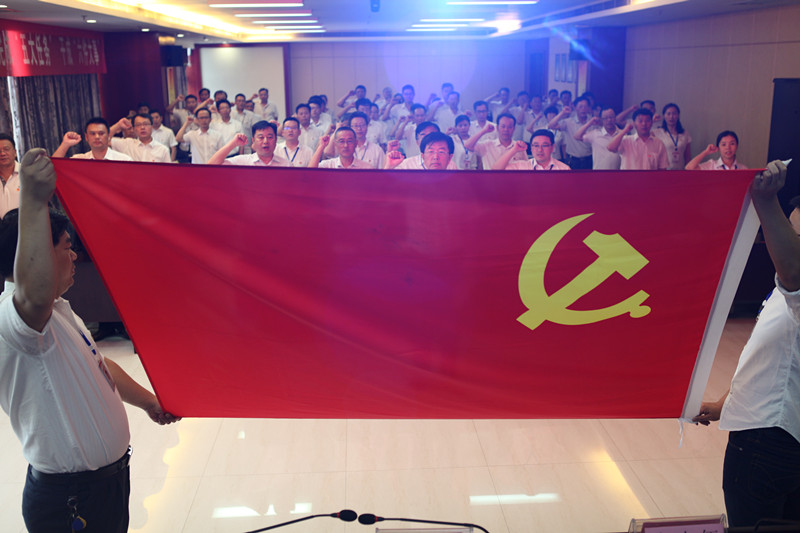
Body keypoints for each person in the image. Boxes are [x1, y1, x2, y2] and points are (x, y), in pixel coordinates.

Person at [0, 149, 179, 532]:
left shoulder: (59, 310)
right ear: (37, 254)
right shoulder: (15, 320)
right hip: (70, 499)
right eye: (67, 247)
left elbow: (99, 364)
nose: (75, 255)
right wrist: (33, 200)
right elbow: (34, 294)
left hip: (104, 486)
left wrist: (150, 402)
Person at [692, 161, 799, 527]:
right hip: (767, 426)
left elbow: (795, 270)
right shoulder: (782, 289)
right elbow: (773, 356)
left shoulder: (793, 279)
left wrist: (766, 201)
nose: (786, 234)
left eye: (795, 230)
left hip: (769, 441)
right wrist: (723, 404)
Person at [207, 121, 289, 167]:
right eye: (261, 137)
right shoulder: (243, 162)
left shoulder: (286, 165)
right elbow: (211, 165)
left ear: (276, 140)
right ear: (253, 140)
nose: (265, 141)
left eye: (270, 137)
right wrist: (233, 143)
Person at [52, 118, 133, 162]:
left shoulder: (124, 160)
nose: (97, 137)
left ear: (108, 136)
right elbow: (52, 167)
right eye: (92, 133)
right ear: (86, 137)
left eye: (101, 133)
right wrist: (65, 144)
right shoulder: (79, 160)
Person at [548, 96, 593, 169]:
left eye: (585, 106)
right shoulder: (568, 122)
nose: (583, 109)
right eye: (580, 106)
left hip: (588, 159)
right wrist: (562, 113)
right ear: (575, 108)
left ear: (588, 108)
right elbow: (551, 125)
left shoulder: (592, 122)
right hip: (572, 160)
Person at [493, 129, 570, 171]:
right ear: (531, 148)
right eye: (536, 145)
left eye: (544, 145)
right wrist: (514, 149)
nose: (540, 150)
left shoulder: (564, 169)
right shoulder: (521, 167)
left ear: (552, 147)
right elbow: (495, 170)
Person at [108, 114, 172, 163]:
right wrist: (118, 125)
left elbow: (167, 172)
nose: (142, 127)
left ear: (152, 127)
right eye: (138, 125)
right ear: (134, 128)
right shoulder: (127, 143)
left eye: (146, 124)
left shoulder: (163, 150)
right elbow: (105, 140)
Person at [574, 106, 622, 170]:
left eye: (611, 117)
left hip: (618, 173)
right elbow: (577, 136)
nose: (609, 120)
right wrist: (590, 122)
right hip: (598, 173)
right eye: (605, 118)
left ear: (615, 118)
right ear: (601, 120)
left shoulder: (622, 134)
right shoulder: (595, 134)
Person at [385, 131, 455, 171]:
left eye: (441, 152)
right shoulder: (407, 169)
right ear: (423, 156)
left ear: (450, 157)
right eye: (431, 151)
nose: (435, 157)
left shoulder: (453, 170)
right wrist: (389, 167)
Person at [653, 103, 692, 170]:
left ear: (678, 115)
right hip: (663, 171)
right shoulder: (657, 132)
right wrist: (652, 121)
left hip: (680, 170)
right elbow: (642, 134)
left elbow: (687, 155)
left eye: (674, 113)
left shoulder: (685, 133)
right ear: (664, 116)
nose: (671, 117)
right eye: (668, 114)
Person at [0, 133, 20, 217]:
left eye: (6, 149)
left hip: (26, 224)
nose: (2, 154)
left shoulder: (28, 173)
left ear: (15, 152)